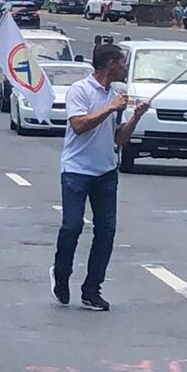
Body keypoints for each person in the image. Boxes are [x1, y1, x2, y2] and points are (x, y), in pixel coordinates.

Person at [52, 44, 149, 312]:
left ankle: (92, 289)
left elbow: (119, 138)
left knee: (105, 232)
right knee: (72, 227)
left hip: (105, 171)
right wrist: (109, 108)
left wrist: (135, 118)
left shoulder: (115, 95)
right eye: (122, 62)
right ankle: (61, 274)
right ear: (109, 64)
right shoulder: (80, 90)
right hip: (76, 170)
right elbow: (79, 126)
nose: (125, 67)